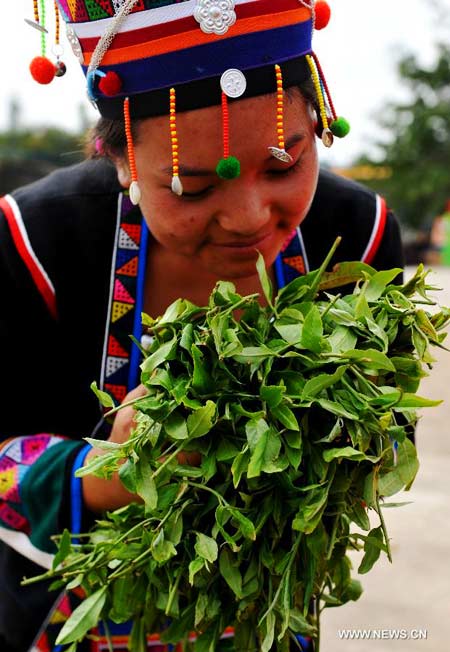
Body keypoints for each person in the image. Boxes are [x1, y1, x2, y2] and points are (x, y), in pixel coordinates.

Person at [0, 1, 404, 650]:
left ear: (320, 127)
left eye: (284, 166)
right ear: (122, 160)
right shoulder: (35, 242)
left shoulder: (355, 235)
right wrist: (99, 474)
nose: (248, 217)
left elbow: (385, 431)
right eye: (193, 186)